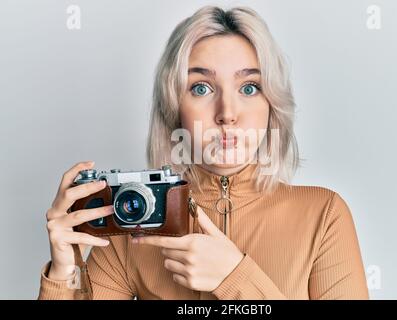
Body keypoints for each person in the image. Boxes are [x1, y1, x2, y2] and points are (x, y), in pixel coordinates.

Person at [38, 6, 369, 300]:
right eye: (201, 87)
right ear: (173, 108)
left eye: (249, 87)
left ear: (273, 105)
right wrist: (63, 275)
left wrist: (235, 279)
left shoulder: (324, 215)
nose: (227, 113)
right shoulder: (128, 225)